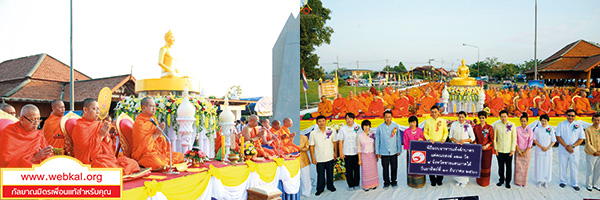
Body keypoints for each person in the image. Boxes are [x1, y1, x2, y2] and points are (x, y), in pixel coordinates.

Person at [72, 99, 140, 175]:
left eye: (98, 109)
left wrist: (107, 136)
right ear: (85, 110)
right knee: (107, 167)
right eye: (94, 109)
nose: (97, 112)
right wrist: (101, 135)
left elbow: (108, 146)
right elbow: (85, 152)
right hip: (90, 161)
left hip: (105, 158)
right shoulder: (80, 127)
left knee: (133, 163)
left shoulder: (98, 125)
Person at [131, 97, 184, 170]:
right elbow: (142, 147)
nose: (154, 108)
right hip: (145, 155)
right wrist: (156, 134)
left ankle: (165, 163)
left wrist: (159, 135)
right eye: (151, 106)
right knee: (157, 162)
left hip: (158, 153)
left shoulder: (153, 120)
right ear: (144, 108)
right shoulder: (139, 123)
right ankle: (141, 163)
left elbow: (160, 141)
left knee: (180, 156)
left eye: (155, 106)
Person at [556, 109, 586, 191]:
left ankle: (574, 183)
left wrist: (572, 146)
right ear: (566, 115)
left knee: (574, 166)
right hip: (563, 148)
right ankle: (563, 181)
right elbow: (558, 136)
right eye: (569, 115)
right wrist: (566, 146)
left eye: (572, 116)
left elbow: (581, 138)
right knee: (563, 165)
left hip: (574, 150)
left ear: (575, 116)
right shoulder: (561, 124)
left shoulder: (578, 125)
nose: (570, 117)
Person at [309, 115, 338, 196]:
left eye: (323, 121)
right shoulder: (313, 133)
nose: (321, 123)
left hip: (330, 156)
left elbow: (335, 142)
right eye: (319, 121)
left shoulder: (331, 130)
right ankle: (320, 189)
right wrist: (312, 157)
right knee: (320, 174)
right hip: (319, 157)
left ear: (325, 121)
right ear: (317, 123)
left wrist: (335, 153)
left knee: (330, 173)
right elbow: (311, 146)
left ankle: (330, 186)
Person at [375, 110, 402, 188]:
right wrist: (377, 152)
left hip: (393, 150)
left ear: (391, 117)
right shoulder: (380, 127)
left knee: (394, 167)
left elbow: (398, 139)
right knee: (385, 167)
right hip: (383, 151)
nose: (388, 119)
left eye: (389, 117)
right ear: (383, 118)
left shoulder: (395, 126)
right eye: (386, 117)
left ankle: (394, 181)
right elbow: (377, 140)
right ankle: (386, 182)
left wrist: (399, 149)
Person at [423, 105, 448, 186]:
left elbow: (446, 132)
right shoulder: (427, 121)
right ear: (430, 113)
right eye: (432, 112)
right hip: (431, 144)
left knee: (441, 162)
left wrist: (444, 139)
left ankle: (440, 179)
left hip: (440, 144)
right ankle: (432, 179)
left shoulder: (443, 121)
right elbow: (425, 133)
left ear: (438, 112)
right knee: (431, 162)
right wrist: (429, 139)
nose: (434, 114)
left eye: (435, 112)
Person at [449, 111, 475, 187]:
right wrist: (454, 140)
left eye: (462, 117)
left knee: (464, 164)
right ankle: (458, 180)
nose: (461, 119)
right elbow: (450, 136)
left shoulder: (468, 126)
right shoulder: (454, 124)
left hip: (465, 147)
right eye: (459, 117)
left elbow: (473, 138)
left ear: (465, 117)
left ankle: (464, 181)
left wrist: (465, 141)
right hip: (456, 147)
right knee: (457, 164)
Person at [337, 113, 361, 190]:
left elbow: (361, 139)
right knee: (349, 169)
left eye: (350, 118)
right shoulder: (343, 129)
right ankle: (350, 185)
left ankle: (356, 183)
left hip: (356, 152)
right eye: (347, 118)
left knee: (356, 169)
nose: (349, 120)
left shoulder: (357, 127)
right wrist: (341, 152)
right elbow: (340, 141)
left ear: (353, 119)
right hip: (347, 152)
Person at [494, 110, 517, 189]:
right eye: (502, 117)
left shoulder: (512, 125)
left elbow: (514, 138)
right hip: (499, 150)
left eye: (505, 116)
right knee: (500, 166)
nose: (503, 118)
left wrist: (513, 149)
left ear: (508, 116)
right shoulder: (496, 125)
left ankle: (508, 182)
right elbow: (495, 138)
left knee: (508, 167)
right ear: (500, 117)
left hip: (509, 150)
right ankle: (501, 180)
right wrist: (496, 148)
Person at [533, 114, 556, 188]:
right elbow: (534, 139)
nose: (544, 122)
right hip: (539, 150)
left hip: (548, 151)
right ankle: (539, 181)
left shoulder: (550, 129)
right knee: (539, 165)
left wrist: (548, 147)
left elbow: (553, 140)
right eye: (542, 121)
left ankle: (545, 181)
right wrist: (541, 147)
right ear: (540, 121)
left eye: (545, 121)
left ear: (548, 121)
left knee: (547, 165)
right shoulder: (537, 129)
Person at [403, 116, 426, 188]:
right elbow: (405, 142)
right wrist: (409, 151)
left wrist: (421, 140)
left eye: (414, 122)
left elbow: (423, 140)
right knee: (412, 168)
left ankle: (421, 182)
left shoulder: (420, 130)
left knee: (419, 168)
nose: (412, 124)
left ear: (416, 122)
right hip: (410, 152)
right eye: (411, 122)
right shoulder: (406, 131)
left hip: (419, 152)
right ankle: (412, 183)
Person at [473, 111, 494, 187]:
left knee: (486, 165)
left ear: (486, 118)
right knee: (479, 165)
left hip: (487, 150)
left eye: (483, 118)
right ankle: (478, 180)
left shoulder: (489, 127)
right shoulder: (476, 127)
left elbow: (492, 139)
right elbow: (474, 137)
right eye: (480, 118)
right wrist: (475, 143)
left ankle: (485, 182)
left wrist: (487, 145)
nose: (482, 119)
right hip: (478, 149)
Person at [357, 119, 379, 191]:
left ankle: (373, 184)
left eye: (368, 126)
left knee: (373, 171)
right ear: (362, 127)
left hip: (372, 155)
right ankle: (366, 186)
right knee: (365, 171)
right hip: (364, 155)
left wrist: (376, 155)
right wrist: (359, 159)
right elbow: (359, 147)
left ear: (370, 126)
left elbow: (375, 145)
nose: (366, 127)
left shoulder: (372, 134)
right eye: (365, 126)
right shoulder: (360, 136)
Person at [514, 113, 534, 187]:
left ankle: (524, 182)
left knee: (525, 166)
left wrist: (526, 151)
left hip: (527, 150)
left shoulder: (530, 130)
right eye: (522, 121)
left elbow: (531, 141)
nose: (523, 123)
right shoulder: (517, 129)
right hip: (518, 149)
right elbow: (515, 140)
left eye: (524, 121)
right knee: (518, 166)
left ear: (527, 122)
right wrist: (518, 150)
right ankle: (517, 181)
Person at [584, 114, 600, 191]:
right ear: (592, 120)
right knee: (590, 169)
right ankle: (589, 184)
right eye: (595, 120)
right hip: (591, 153)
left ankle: (596, 184)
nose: (596, 122)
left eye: (598, 120)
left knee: (598, 170)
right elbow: (587, 142)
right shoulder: (588, 129)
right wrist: (594, 151)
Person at [299, 131, 311, 197]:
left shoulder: (304, 137)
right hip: (293, 159)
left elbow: (307, 147)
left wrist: (300, 148)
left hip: (303, 160)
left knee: (305, 177)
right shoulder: (290, 138)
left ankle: (306, 192)